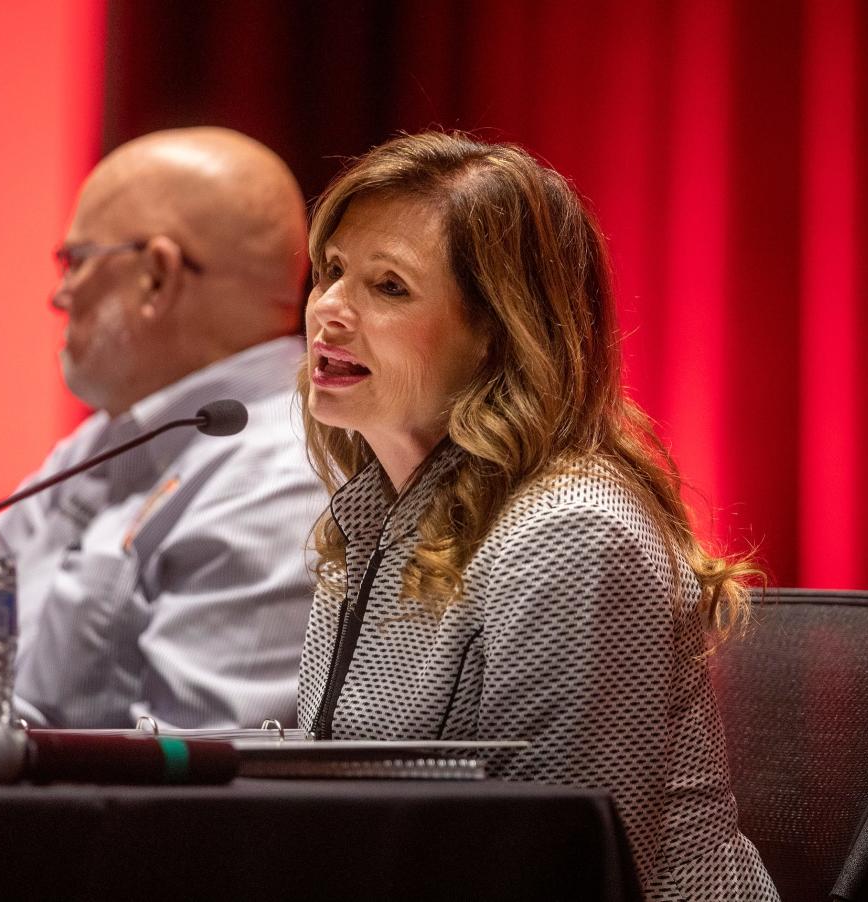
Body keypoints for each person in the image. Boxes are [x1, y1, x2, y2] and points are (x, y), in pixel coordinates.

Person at [295, 131, 780, 900]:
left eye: (388, 287)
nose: (329, 311)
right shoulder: (372, 516)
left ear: (499, 333)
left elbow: (558, 869)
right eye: (333, 272)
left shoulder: (568, 533)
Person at [0, 127, 327, 730]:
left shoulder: (280, 479)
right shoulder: (117, 438)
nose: (58, 295)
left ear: (156, 277)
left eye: (75, 262)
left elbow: (193, 782)